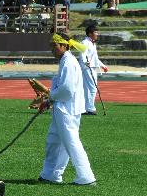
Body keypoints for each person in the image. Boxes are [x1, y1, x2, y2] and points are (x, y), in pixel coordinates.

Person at [39, 33, 96, 186]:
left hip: (67, 110)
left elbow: (67, 90)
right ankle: (50, 174)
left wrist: (51, 96)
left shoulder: (69, 62)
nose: (52, 50)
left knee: (71, 143)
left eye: (55, 46)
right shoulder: (65, 61)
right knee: (55, 141)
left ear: (64, 46)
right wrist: (50, 99)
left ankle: (86, 177)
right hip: (62, 108)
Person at [79, 25, 108, 116]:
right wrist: (85, 63)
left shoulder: (92, 43)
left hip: (93, 67)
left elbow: (95, 58)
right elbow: (82, 55)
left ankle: (85, 108)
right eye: (95, 32)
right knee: (92, 88)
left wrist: (102, 65)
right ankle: (90, 108)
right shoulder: (84, 42)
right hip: (87, 68)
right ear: (90, 34)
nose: (97, 34)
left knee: (88, 89)